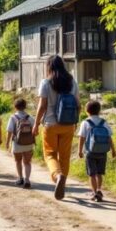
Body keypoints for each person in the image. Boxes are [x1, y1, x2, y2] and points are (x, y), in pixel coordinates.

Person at [33, 55, 80, 200]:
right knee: (64, 156)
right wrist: (75, 121)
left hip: (50, 125)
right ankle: (63, 181)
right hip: (68, 125)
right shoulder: (73, 82)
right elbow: (78, 105)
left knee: (50, 154)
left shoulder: (46, 82)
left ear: (49, 66)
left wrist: (36, 124)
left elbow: (42, 106)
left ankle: (57, 176)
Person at [78, 100, 116, 202]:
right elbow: (109, 138)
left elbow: (82, 138)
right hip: (103, 152)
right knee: (99, 173)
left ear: (87, 111)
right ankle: (99, 190)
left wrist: (80, 151)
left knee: (92, 174)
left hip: (90, 152)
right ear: (99, 110)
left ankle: (95, 193)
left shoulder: (85, 122)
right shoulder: (104, 122)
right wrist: (113, 150)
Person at [6, 98, 35, 188]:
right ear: (25, 106)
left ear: (15, 107)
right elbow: (35, 131)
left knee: (18, 161)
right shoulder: (30, 118)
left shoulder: (13, 117)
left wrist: (7, 143)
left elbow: (9, 131)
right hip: (28, 144)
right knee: (27, 162)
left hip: (17, 143)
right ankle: (27, 179)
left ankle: (20, 178)